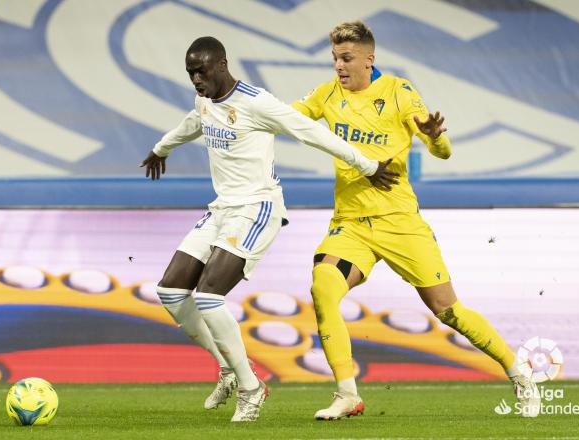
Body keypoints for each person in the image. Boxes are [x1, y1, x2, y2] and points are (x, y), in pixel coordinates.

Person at [292, 21, 541, 420]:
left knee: (448, 310)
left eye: (347, 58)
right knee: (323, 287)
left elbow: (441, 151)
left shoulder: (398, 91)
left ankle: (519, 371)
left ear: (369, 59)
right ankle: (346, 393)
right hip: (351, 224)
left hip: (400, 221)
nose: (339, 66)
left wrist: (434, 136)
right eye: (335, 58)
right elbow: (287, 119)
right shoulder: (326, 95)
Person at [140, 36, 396, 422]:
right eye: (191, 73)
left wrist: (367, 165)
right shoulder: (205, 100)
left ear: (222, 65)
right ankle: (228, 367)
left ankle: (251, 388)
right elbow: (194, 122)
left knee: (209, 296)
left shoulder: (257, 103)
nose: (196, 79)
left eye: (202, 71)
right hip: (222, 210)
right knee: (171, 291)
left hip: (258, 208)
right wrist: (162, 148)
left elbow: (313, 133)